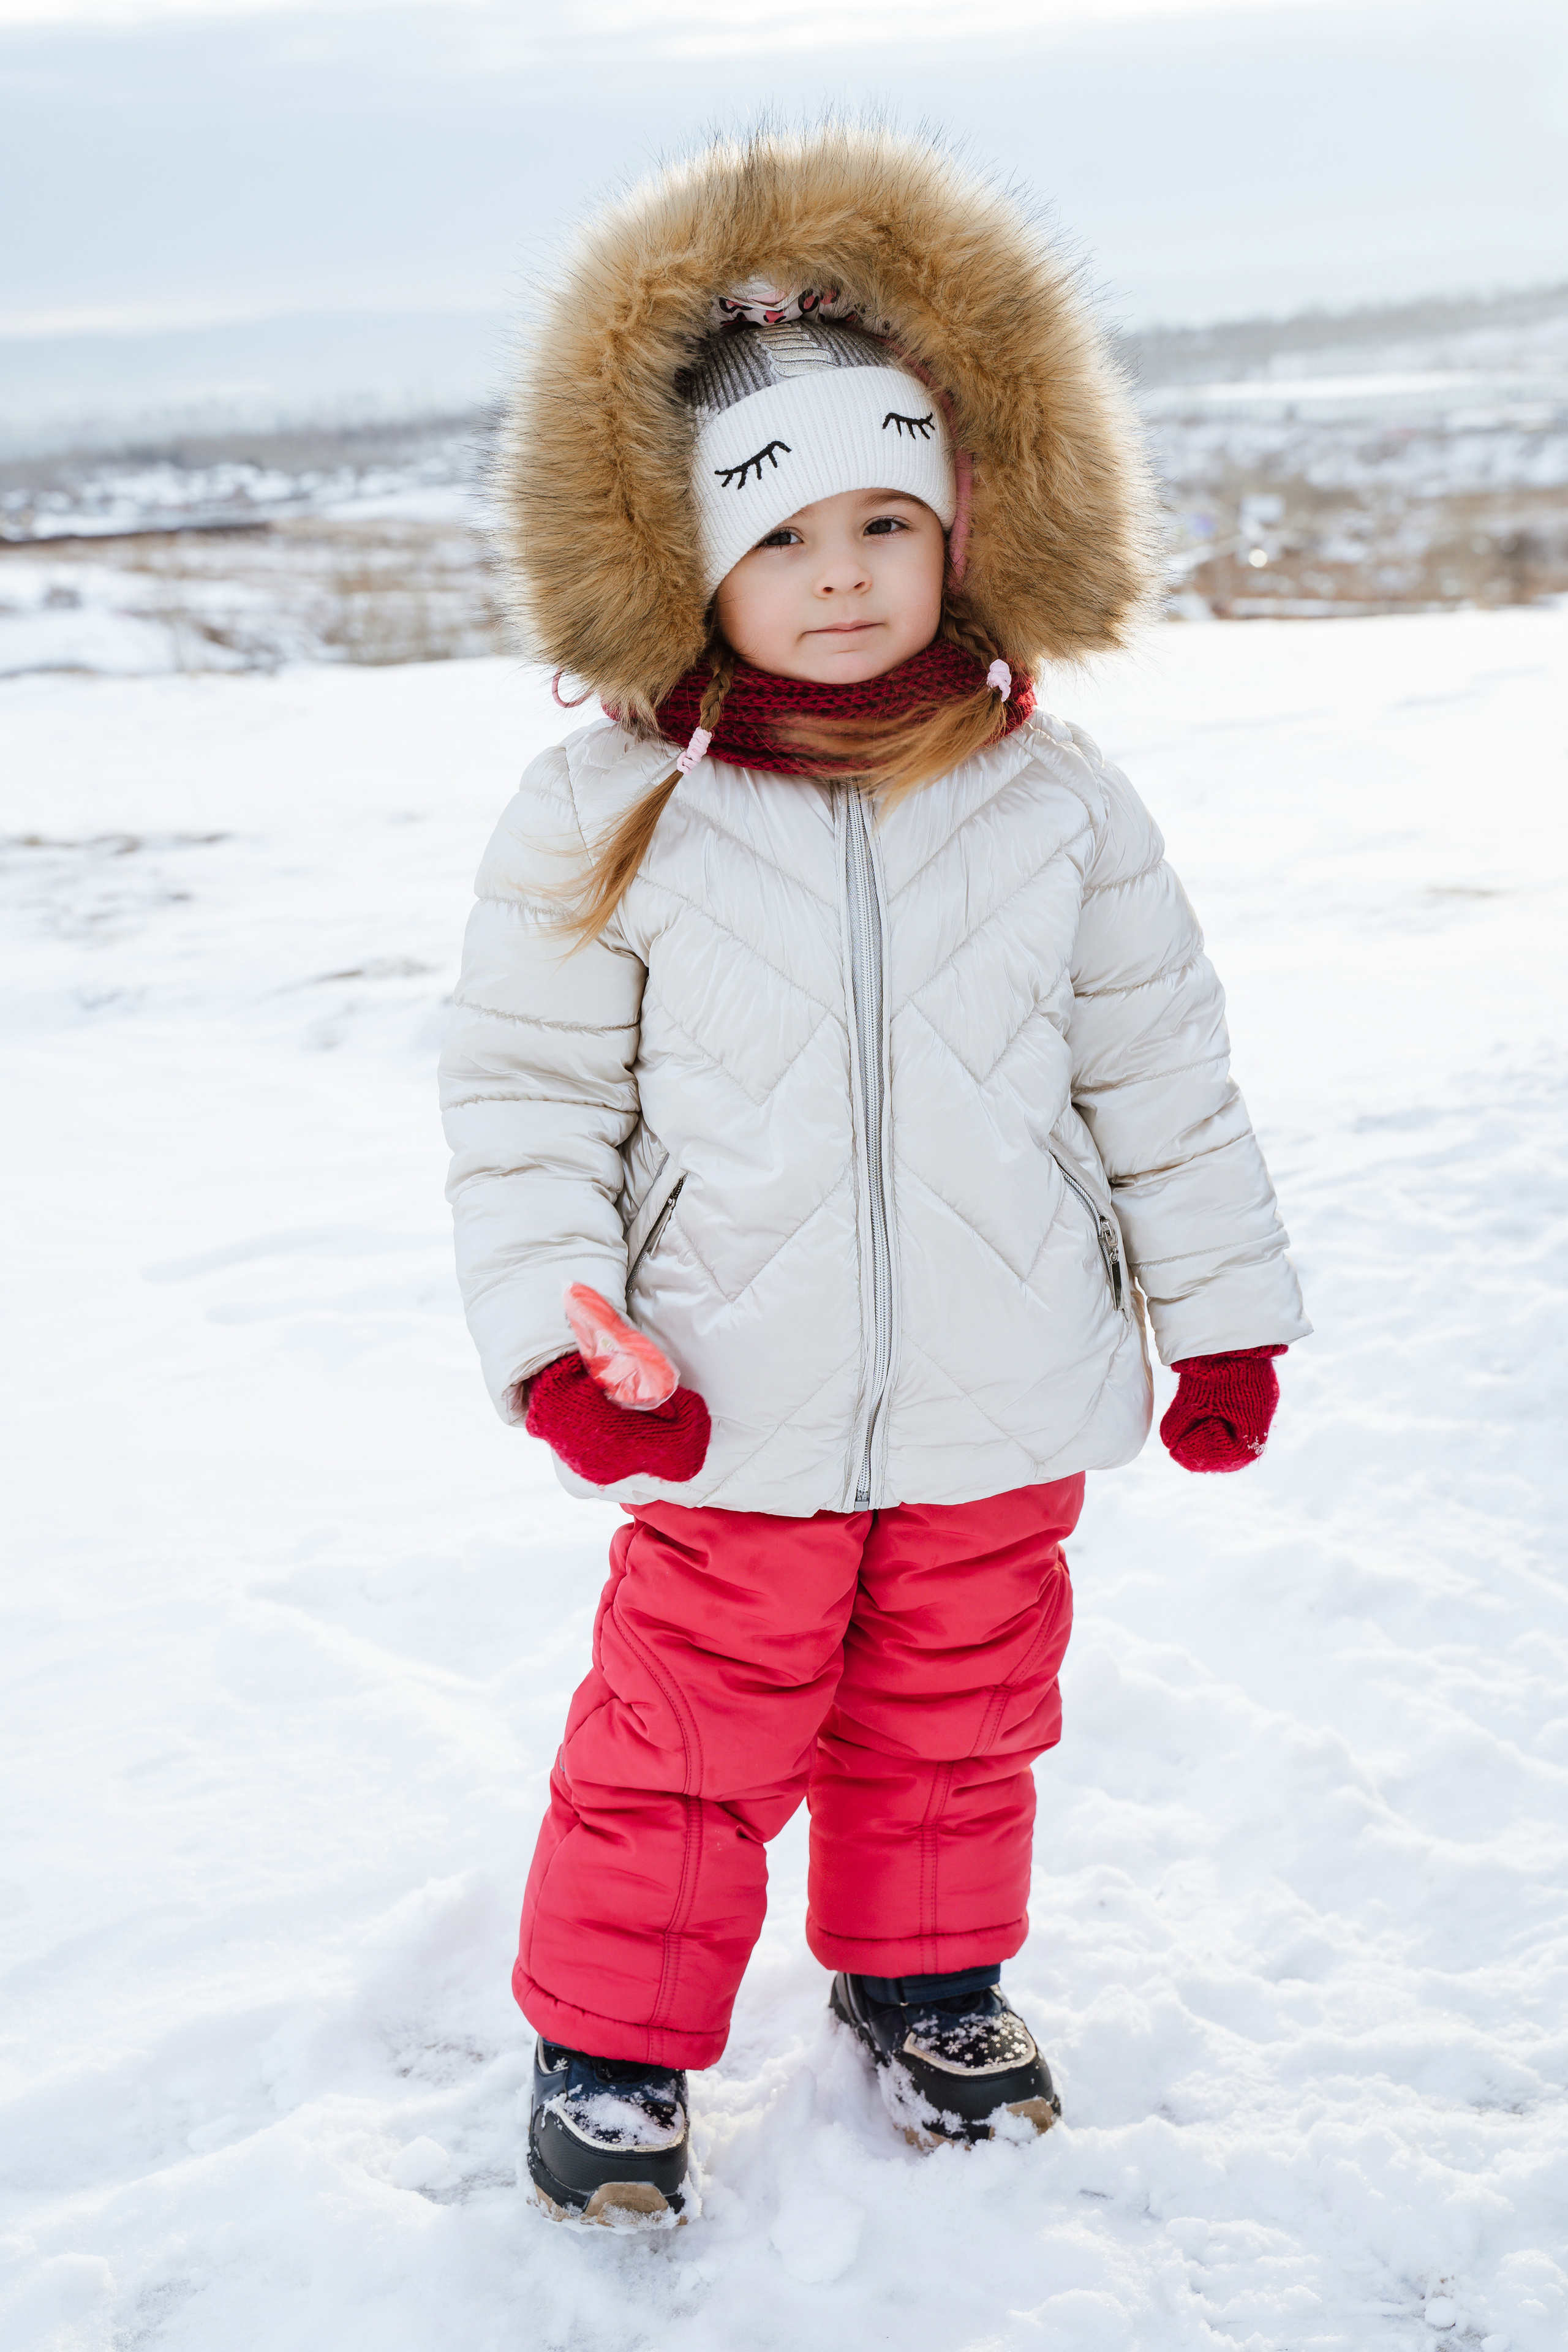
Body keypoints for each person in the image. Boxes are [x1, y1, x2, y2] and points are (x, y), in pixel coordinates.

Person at [439, 126, 1310, 2223]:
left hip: (1000, 1391)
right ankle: (616, 2049)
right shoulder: (610, 809)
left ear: (963, 531)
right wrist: (559, 1335)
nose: (842, 573)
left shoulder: (1059, 805)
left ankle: (928, 1982)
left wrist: (1222, 1320)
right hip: (722, 1396)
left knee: (962, 1710)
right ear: (689, 560)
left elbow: (1159, 1078)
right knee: (687, 1730)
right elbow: (524, 1101)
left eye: (888, 521)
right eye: (787, 532)